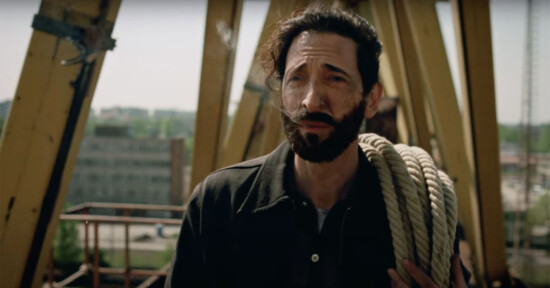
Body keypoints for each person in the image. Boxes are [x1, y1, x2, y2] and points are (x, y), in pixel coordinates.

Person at [165, 4, 468, 287]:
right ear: (281, 92)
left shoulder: (424, 216)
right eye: (297, 79)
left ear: (372, 99)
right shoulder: (218, 204)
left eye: (334, 78)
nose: (310, 101)